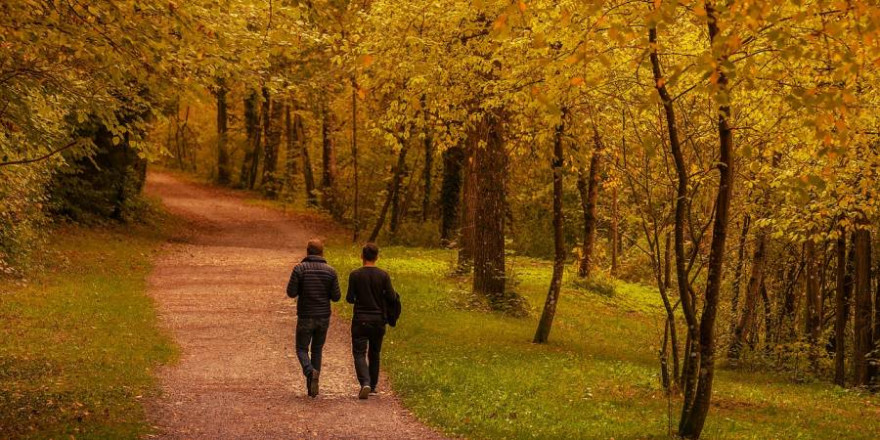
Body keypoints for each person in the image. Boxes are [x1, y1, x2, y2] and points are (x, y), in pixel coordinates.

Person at [286, 238, 341, 398]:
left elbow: (291, 292)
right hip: (323, 316)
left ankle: (310, 372)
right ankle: (312, 387)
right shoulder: (331, 271)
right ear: (322, 252)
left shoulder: (299, 269)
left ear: (307, 251)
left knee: (301, 349)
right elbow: (336, 296)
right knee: (317, 349)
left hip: (305, 315)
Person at [346, 242, 400, 399]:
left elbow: (350, 298)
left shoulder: (355, 275)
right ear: (377, 257)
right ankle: (374, 386)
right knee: (375, 352)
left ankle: (365, 383)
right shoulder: (383, 275)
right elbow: (391, 296)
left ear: (362, 256)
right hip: (378, 320)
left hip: (360, 320)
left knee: (359, 353)